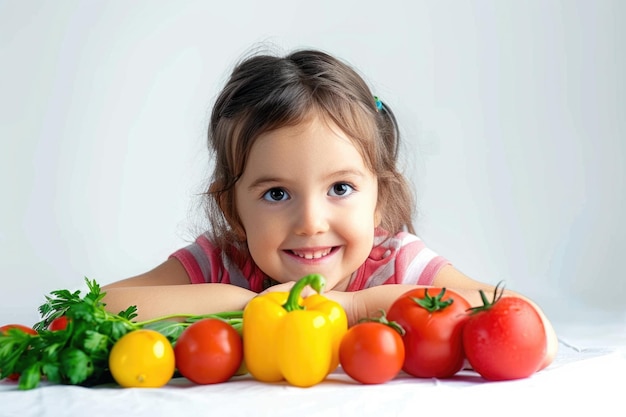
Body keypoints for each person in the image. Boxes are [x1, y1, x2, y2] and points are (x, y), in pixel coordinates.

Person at [102, 48, 558, 368]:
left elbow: (530, 326)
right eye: (276, 194)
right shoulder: (221, 263)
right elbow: (100, 307)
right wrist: (251, 304)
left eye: (340, 188)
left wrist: (356, 307)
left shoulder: (396, 262)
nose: (312, 223)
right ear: (232, 209)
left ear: (378, 199)